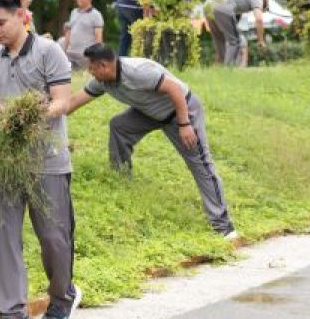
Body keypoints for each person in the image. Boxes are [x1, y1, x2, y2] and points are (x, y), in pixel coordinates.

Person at [0, 0, 80, 319]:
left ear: (21, 15)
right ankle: (14, 315)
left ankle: (63, 296)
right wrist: (7, 114)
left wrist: (29, 117)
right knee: (3, 236)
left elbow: (61, 102)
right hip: (4, 161)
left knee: (53, 237)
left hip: (47, 161)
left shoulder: (50, 52)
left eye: (1, 22)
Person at [67, 44, 236, 238]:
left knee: (200, 164)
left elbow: (174, 90)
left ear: (104, 65)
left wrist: (184, 124)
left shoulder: (138, 71)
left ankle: (224, 227)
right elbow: (73, 102)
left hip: (180, 111)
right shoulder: (102, 82)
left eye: (92, 68)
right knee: (120, 126)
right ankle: (121, 179)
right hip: (150, 113)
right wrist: (49, 114)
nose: (90, 73)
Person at [204, 0, 270, 67]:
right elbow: (259, 20)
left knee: (220, 41)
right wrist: (261, 40)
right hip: (222, 6)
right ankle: (227, 71)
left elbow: (234, 19)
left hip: (208, 5)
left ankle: (218, 71)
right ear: (264, 2)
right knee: (235, 41)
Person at [61, 0, 104, 70]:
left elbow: (98, 38)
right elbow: (68, 33)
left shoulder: (96, 15)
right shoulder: (74, 12)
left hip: (85, 56)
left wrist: (97, 56)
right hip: (71, 54)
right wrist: (64, 51)